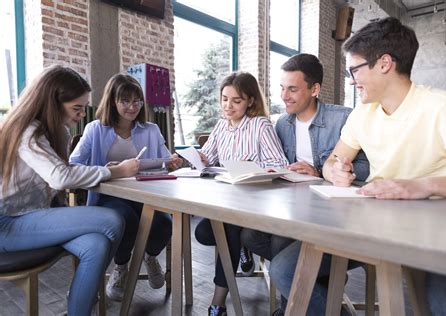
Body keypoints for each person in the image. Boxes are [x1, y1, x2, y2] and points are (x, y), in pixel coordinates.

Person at [271, 17, 446, 315]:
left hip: (441, 235)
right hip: (374, 228)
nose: (351, 79)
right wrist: (334, 171)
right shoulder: (363, 114)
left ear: (384, 63)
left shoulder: (445, 109)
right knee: (285, 269)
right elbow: (333, 161)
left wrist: (421, 185)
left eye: (354, 70)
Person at [0, 65, 139, 315]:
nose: (80, 115)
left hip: (28, 215)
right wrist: (115, 171)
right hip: (6, 223)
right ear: (52, 103)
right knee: (112, 219)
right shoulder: (27, 131)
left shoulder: (54, 132)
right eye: (76, 108)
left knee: (96, 245)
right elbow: (60, 177)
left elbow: (60, 171)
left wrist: (101, 168)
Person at [241, 53, 369, 315]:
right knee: (249, 235)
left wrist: (321, 170)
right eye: (281, 87)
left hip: (331, 213)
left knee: (280, 243)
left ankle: (291, 307)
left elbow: (367, 167)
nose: (284, 96)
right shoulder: (282, 123)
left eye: (292, 89)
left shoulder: (343, 118)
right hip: (293, 206)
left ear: (315, 89)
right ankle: (320, 282)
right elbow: (277, 161)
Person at [69, 73, 182, 301]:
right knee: (125, 220)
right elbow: (73, 165)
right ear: (113, 101)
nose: (133, 107)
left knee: (164, 224)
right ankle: (121, 266)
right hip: (109, 197)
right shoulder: (95, 129)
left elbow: (165, 160)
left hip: (145, 194)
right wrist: (108, 169)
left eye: (137, 101)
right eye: (125, 101)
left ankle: (150, 257)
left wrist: (174, 161)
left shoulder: (150, 129)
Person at [193, 71, 288, 316]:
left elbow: (279, 163)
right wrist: (194, 158)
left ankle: (217, 304)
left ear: (250, 101)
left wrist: (251, 168)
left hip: (253, 201)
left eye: (236, 100)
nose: (228, 105)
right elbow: (208, 158)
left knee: (228, 232)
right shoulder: (221, 126)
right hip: (226, 200)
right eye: (224, 99)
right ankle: (244, 250)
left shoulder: (260, 125)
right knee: (204, 232)